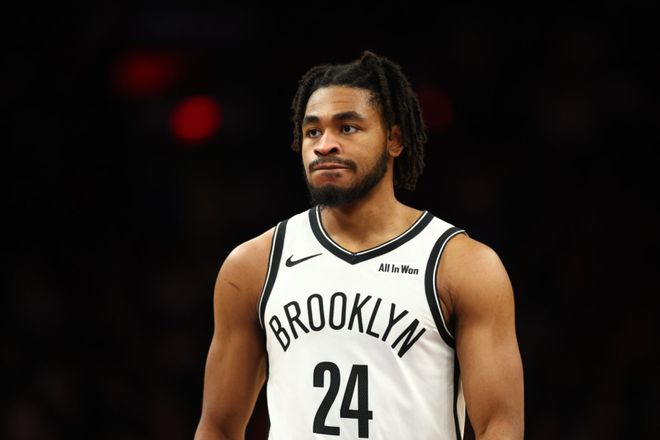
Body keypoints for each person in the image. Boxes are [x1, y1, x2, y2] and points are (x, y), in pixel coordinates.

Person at [194, 50, 524, 440]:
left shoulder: (461, 264)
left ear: (394, 139)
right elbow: (217, 426)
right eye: (313, 131)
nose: (324, 145)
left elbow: (499, 425)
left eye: (347, 128)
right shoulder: (254, 264)